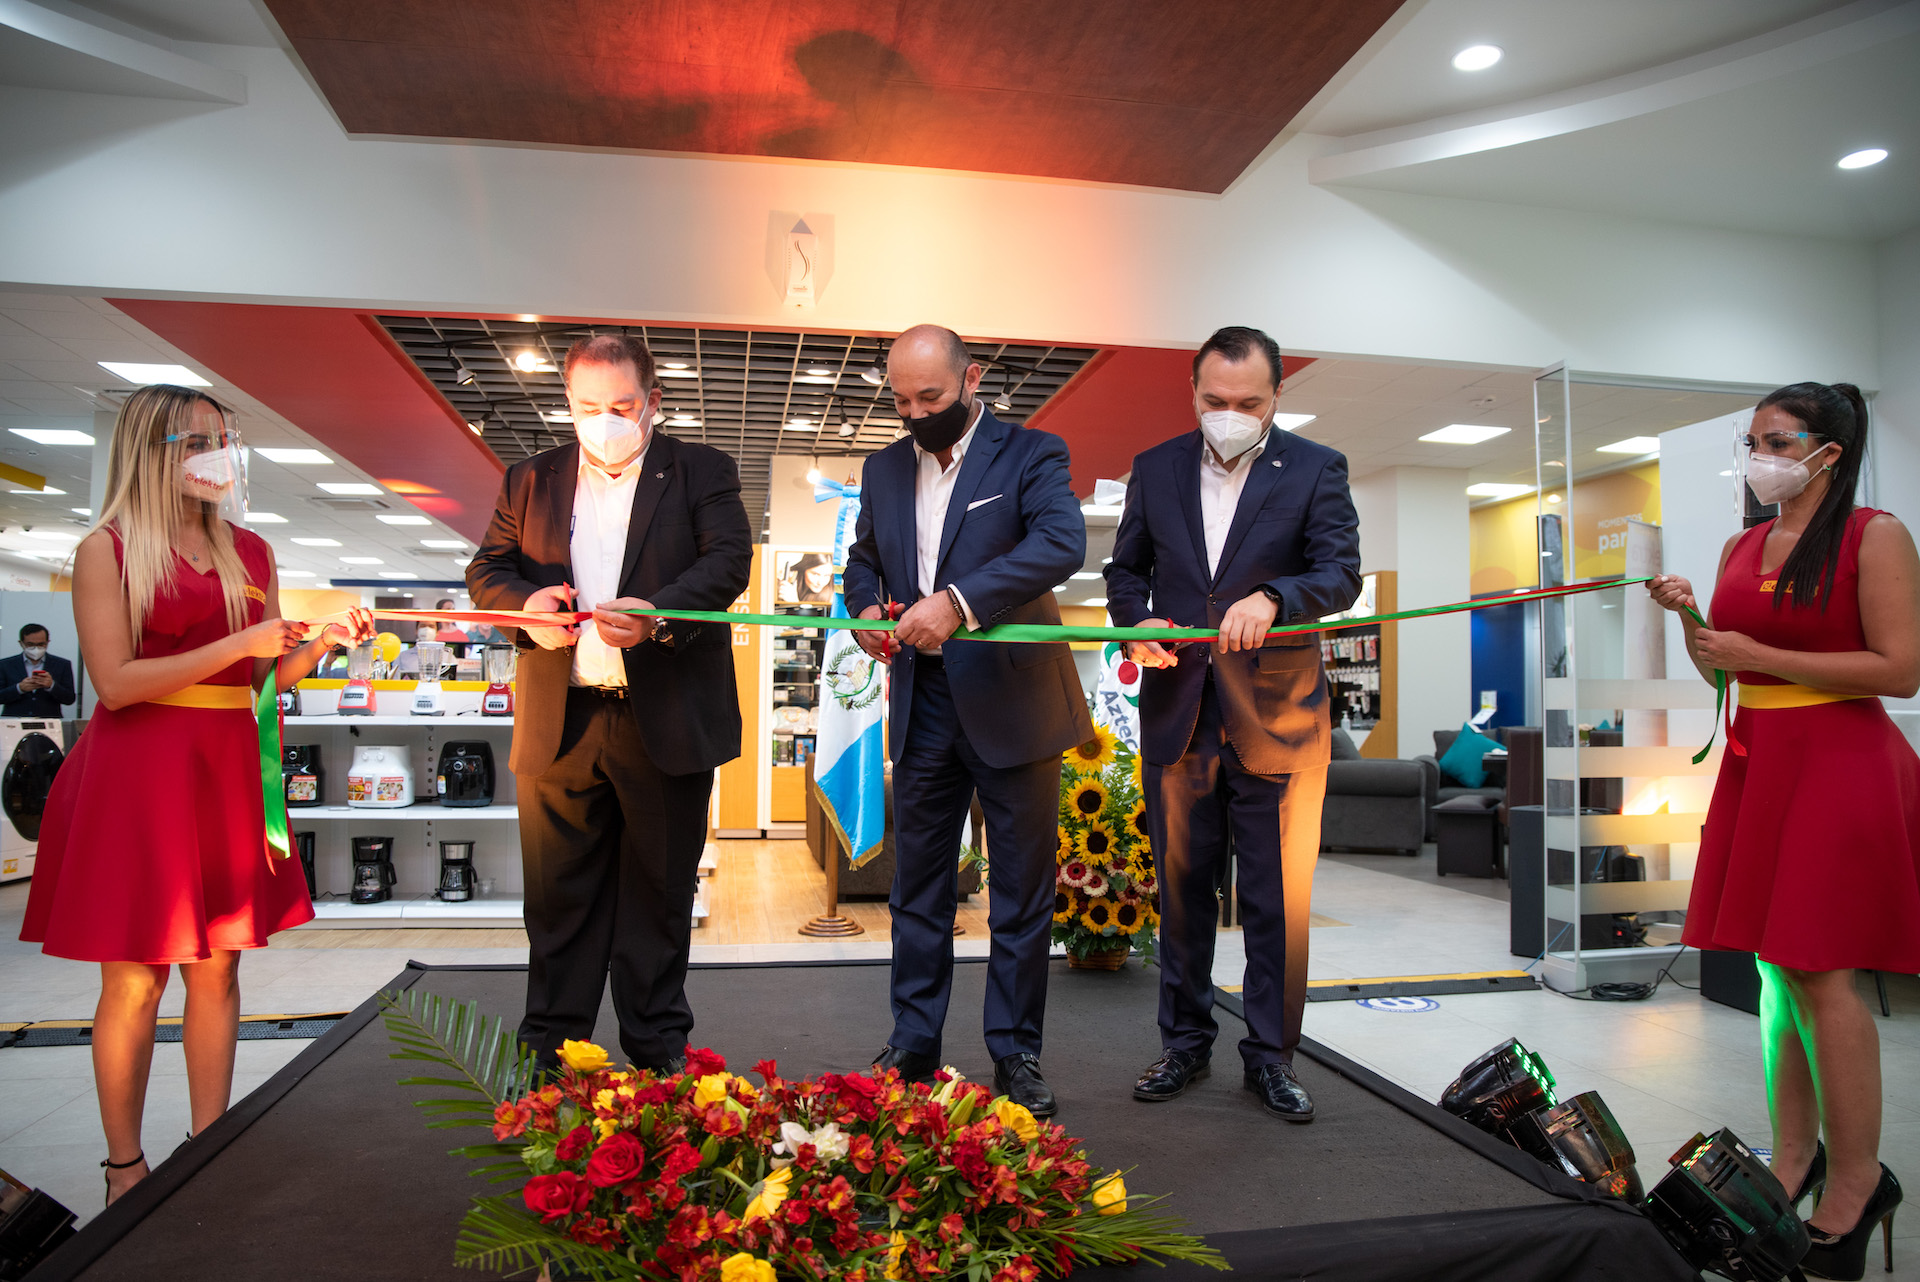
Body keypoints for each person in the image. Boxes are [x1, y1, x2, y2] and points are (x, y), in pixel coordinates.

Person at [19, 384, 371, 1205]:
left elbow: (260, 681)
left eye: (225, 439)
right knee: (135, 979)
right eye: (200, 441)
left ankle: (211, 1149)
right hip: (138, 778)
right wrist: (239, 643)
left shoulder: (249, 552)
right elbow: (113, 684)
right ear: (155, 451)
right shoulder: (107, 549)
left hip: (224, 771)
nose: (220, 457)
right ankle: (125, 1168)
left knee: (217, 971)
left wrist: (315, 643)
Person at [1649, 381, 1917, 1279]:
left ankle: (1860, 1177)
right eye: (1752, 439)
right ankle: (1791, 1156)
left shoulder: (1874, 536)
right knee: (1772, 965)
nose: (1758, 454)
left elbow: (1901, 669)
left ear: (1827, 452)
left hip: (1838, 764)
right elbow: (1727, 668)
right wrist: (1695, 625)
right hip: (1760, 760)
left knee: (1818, 968)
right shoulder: (1743, 543)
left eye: (1776, 439)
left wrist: (1755, 655)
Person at [468, 333, 752, 1076]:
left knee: (658, 898)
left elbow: (728, 563)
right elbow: (486, 568)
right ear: (568, 404)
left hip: (664, 720)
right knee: (558, 903)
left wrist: (659, 612)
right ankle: (548, 1059)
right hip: (561, 719)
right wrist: (523, 603)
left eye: (621, 405)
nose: (605, 419)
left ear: (652, 401)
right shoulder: (529, 478)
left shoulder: (701, 470)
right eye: (588, 407)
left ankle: (658, 1054)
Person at [1105, 326, 1360, 1124]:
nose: (1230, 414)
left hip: (1279, 716)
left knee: (1276, 899)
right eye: (1214, 401)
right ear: (1193, 393)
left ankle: (1271, 1057)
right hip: (1179, 710)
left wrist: (1277, 597)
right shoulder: (1155, 469)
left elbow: (1340, 573)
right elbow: (1125, 571)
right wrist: (1134, 620)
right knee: (1182, 891)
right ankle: (1184, 1044)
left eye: (1248, 402)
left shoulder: (1317, 468)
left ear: (1277, 397)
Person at [843, 324, 1091, 1115]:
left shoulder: (1031, 453)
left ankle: (1016, 1053)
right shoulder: (883, 468)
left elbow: (1061, 543)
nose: (917, 414)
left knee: (1020, 891)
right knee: (919, 886)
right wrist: (864, 610)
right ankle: (913, 1041)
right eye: (902, 400)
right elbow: (864, 558)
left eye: (932, 398)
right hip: (922, 701)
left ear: (971, 380)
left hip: (1014, 702)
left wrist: (956, 603)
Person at [0, 623, 76, 718]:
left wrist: (51, 686)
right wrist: (19, 688)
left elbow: (70, 699)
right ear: (21, 643)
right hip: (13, 722)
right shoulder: (5, 665)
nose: (36, 648)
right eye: (30, 644)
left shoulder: (62, 664)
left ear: (47, 642)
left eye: (41, 644)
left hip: (48, 722)